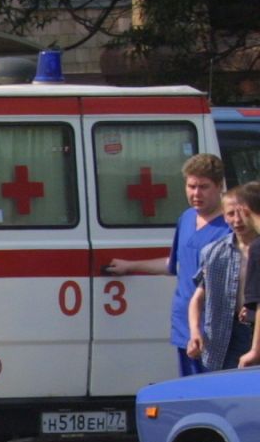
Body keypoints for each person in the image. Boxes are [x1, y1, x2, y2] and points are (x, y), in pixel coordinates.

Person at [104, 153, 228, 378]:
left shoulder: (230, 228)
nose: (196, 193)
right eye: (191, 186)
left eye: (203, 187)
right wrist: (130, 266)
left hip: (215, 331)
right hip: (184, 326)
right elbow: (174, 264)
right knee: (188, 394)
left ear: (219, 186)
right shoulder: (187, 218)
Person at [187, 182, 260, 372]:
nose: (237, 220)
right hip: (226, 334)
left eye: (242, 213)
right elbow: (197, 298)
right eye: (230, 214)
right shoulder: (213, 252)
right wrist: (195, 331)